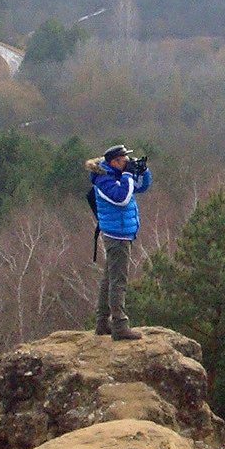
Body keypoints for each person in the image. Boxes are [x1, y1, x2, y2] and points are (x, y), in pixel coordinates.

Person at [88, 144, 153, 340]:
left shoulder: (116, 175)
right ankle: (119, 326)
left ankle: (102, 322)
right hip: (117, 235)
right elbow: (122, 198)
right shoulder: (103, 180)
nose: (126, 162)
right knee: (118, 281)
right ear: (114, 162)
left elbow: (140, 187)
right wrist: (127, 176)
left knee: (109, 278)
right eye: (124, 159)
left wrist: (142, 171)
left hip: (121, 232)